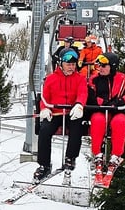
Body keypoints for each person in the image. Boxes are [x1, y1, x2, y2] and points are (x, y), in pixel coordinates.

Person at [35, 49, 88, 181]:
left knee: (77, 128)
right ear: (61, 64)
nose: (71, 67)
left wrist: (79, 104)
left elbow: (82, 93)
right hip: (56, 112)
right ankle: (44, 164)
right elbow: (44, 97)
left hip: (71, 112)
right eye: (68, 64)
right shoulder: (51, 79)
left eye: (73, 65)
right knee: (45, 130)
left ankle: (70, 157)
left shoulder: (80, 79)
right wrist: (44, 109)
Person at [86, 53, 125, 180]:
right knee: (98, 121)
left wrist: (121, 101)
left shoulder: (123, 79)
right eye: (99, 65)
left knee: (119, 122)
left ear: (112, 67)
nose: (100, 68)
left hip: (117, 111)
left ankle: (115, 156)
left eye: (104, 65)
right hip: (100, 110)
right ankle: (98, 154)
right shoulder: (94, 79)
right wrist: (103, 102)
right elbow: (90, 95)